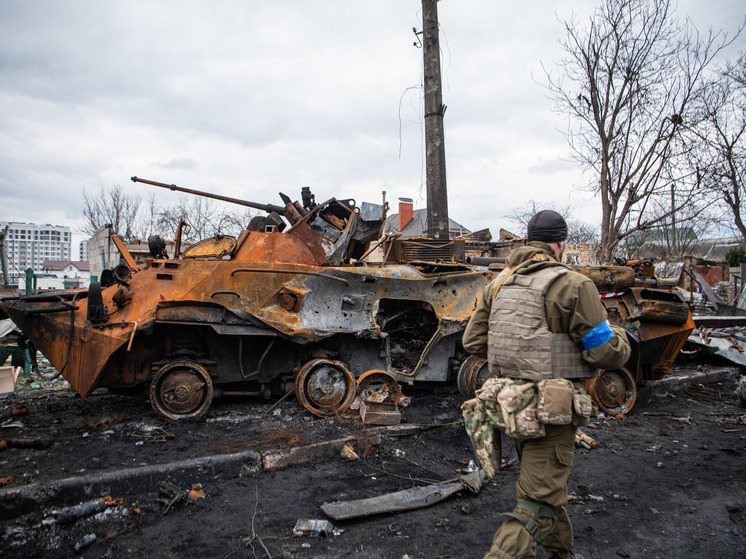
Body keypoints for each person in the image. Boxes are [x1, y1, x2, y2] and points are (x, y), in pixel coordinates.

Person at [461, 210, 631, 559]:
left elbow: (474, 343)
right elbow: (605, 353)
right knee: (537, 505)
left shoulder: (499, 282)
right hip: (552, 415)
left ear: (527, 241)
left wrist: (519, 348)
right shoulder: (574, 284)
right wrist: (623, 338)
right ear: (560, 243)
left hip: (513, 409)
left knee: (547, 488)